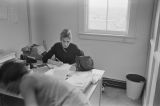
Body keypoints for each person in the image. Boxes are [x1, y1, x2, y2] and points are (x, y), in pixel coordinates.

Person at [0, 60, 91, 106]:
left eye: (7, 87)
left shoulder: (26, 82)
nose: (8, 91)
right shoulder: (32, 77)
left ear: (12, 79)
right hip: (78, 100)